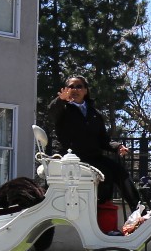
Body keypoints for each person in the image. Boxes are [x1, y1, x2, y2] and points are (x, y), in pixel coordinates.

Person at [45, 75, 137, 206]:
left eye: (79, 86)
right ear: (66, 90)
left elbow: (103, 139)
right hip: (73, 158)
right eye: (71, 86)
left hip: (94, 156)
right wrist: (60, 100)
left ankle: (139, 210)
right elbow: (51, 113)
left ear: (85, 90)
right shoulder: (62, 109)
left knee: (121, 172)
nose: (75, 89)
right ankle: (100, 207)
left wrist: (118, 147)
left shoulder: (95, 113)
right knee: (105, 175)